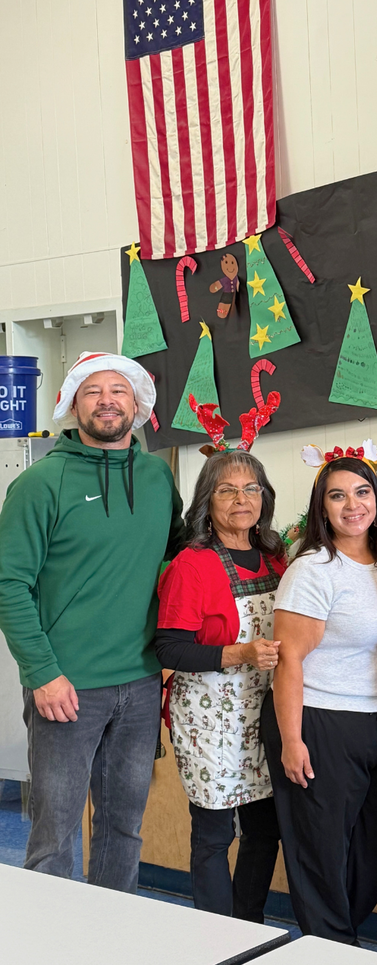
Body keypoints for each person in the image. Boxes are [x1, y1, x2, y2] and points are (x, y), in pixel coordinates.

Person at [0, 351, 184, 891]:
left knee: (123, 831)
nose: (107, 401)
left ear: (137, 403)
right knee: (54, 838)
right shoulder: (40, 484)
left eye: (118, 391)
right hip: (66, 686)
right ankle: (49, 935)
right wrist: (42, 674)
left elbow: (178, 557)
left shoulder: (156, 477)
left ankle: (114, 931)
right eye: (93, 392)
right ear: (73, 404)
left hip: (141, 682)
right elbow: (8, 584)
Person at [261, 449, 377, 945]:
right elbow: (289, 660)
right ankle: (333, 949)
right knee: (321, 857)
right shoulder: (314, 569)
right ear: (321, 508)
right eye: (337, 496)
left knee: (374, 852)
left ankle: (332, 942)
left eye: (362, 492)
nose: (352, 505)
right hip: (320, 721)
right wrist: (291, 740)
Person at [156, 445, 286, 923]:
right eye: (226, 490)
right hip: (210, 721)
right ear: (206, 501)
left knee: (265, 828)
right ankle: (214, 938)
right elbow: (169, 649)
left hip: (266, 714)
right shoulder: (192, 564)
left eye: (251, 489)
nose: (241, 499)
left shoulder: (276, 557)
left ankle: (247, 927)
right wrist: (241, 653)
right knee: (214, 835)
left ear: (264, 497)